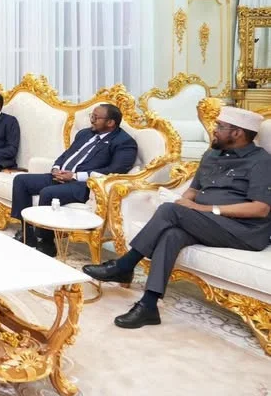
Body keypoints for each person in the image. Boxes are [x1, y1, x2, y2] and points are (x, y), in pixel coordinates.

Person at [83, 106, 271, 329]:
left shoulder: (261, 161)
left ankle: (125, 264)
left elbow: (260, 209)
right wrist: (183, 203)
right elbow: (193, 190)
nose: (214, 130)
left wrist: (203, 209)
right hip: (209, 222)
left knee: (170, 211)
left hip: (243, 230)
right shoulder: (211, 155)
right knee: (172, 233)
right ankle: (149, 305)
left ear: (237, 132)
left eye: (220, 126)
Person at [11, 103, 137, 256]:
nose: (91, 120)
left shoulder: (124, 142)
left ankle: (46, 241)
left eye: (96, 118)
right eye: (91, 116)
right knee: (21, 180)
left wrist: (75, 176)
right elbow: (67, 154)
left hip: (84, 185)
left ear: (110, 122)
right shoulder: (85, 134)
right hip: (60, 176)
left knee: (48, 193)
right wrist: (56, 168)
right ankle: (27, 233)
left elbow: (115, 171)